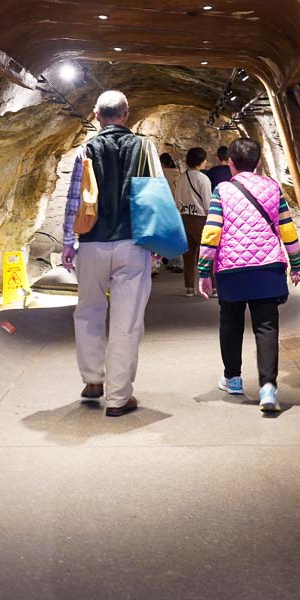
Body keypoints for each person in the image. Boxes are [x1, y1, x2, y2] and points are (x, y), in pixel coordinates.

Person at [62, 90, 162, 417]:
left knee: (88, 310)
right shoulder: (144, 148)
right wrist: (158, 245)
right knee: (126, 321)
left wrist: (67, 242)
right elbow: (155, 198)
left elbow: (75, 199)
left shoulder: (86, 149)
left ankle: (93, 380)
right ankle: (118, 398)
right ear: (126, 114)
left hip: (91, 241)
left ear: (96, 114)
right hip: (132, 243)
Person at [198, 138, 300, 412]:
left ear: (230, 162)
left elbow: (212, 231)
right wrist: (296, 262)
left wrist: (203, 271)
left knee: (231, 323)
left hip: (232, 269)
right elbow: (287, 229)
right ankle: (268, 387)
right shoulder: (273, 188)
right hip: (268, 267)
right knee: (266, 326)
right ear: (258, 162)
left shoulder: (222, 190)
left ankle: (233, 378)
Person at [173, 147, 212, 297]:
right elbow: (207, 203)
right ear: (200, 161)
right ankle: (213, 287)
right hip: (200, 219)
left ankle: (189, 287)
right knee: (208, 253)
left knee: (188, 255)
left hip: (184, 218)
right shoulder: (203, 179)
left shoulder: (180, 178)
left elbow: (177, 200)